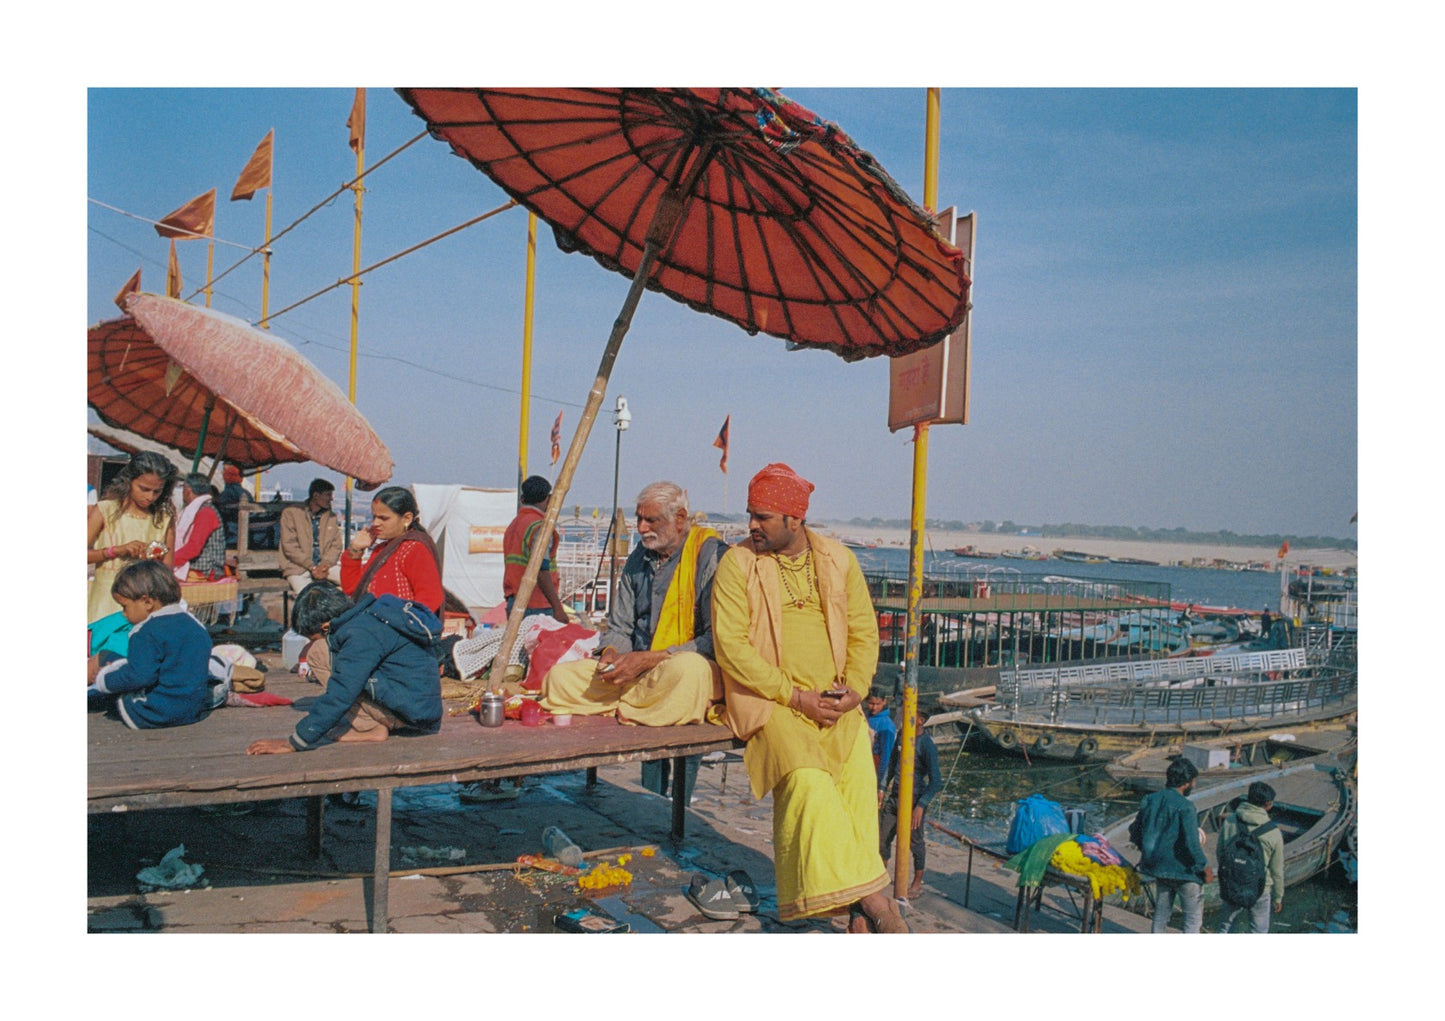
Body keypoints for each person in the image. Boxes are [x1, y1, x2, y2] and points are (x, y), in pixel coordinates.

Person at [711, 463, 906, 933]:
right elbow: (731, 648)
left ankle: (854, 908)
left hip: (838, 706)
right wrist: (796, 698)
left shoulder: (839, 559)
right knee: (807, 785)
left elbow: (864, 633)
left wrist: (855, 690)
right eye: (749, 515)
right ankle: (878, 904)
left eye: (762, 517)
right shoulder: (736, 565)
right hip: (774, 703)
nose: (751, 526)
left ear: (794, 520)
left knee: (858, 795)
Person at [540, 481, 726, 729]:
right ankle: (642, 707)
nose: (641, 528)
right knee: (560, 678)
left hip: (678, 668)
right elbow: (620, 627)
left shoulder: (710, 555)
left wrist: (650, 659)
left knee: (690, 671)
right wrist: (611, 657)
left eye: (651, 520)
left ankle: (630, 705)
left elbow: (716, 639)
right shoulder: (639, 557)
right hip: (636, 675)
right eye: (638, 519)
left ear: (680, 518)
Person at [247, 582, 443, 754]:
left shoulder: (360, 634)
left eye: (312, 636)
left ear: (325, 627)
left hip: (412, 716)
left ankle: (370, 728)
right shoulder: (368, 617)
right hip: (418, 707)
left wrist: (296, 741)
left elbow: (342, 691)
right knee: (332, 658)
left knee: (319, 652)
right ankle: (371, 721)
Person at [87, 560, 213, 729]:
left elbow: (139, 676)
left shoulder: (146, 632)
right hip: (191, 711)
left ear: (147, 602)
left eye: (125, 607)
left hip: (152, 712)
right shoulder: (194, 624)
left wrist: (104, 678)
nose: (124, 614)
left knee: (106, 658)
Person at [87, 451, 177, 625]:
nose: (150, 497)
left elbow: (168, 570)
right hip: (106, 601)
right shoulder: (106, 510)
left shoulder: (164, 518)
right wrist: (116, 551)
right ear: (129, 481)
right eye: (144, 489)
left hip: (145, 607)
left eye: (157, 491)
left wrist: (152, 563)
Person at [1128, 756, 1211, 933]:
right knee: (1192, 917)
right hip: (1184, 873)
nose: (1194, 785)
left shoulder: (1150, 799)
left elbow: (1134, 831)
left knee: (1161, 913)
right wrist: (1204, 868)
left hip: (1158, 869)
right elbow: (1192, 844)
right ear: (1186, 783)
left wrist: (1148, 852)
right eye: (1193, 781)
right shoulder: (1186, 807)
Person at [340, 486, 444, 615]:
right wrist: (355, 549)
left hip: (400, 630)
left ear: (407, 518)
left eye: (383, 518)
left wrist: (402, 623)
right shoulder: (382, 550)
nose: (375, 523)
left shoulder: (414, 549)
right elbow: (352, 588)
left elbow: (430, 598)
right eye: (374, 517)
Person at [879, 712, 941, 900]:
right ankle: (881, 875)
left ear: (920, 721)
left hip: (914, 800)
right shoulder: (901, 737)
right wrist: (882, 788)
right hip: (895, 797)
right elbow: (891, 765)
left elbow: (936, 781)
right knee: (882, 837)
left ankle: (917, 882)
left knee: (915, 842)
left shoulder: (926, 745)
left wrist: (921, 806)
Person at [1217, 780, 1285, 933]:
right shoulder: (1273, 833)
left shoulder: (1230, 821)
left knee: (1225, 928)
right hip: (1260, 889)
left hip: (1232, 883)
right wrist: (1278, 897)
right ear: (1268, 804)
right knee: (1258, 932)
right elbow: (1277, 871)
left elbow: (1220, 852)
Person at [502, 475, 570, 622]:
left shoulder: (514, 525)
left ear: (523, 499)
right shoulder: (539, 527)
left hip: (515, 599)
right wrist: (557, 608)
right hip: (537, 604)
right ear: (548, 499)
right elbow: (541, 570)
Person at [279, 478, 343, 595]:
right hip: (298, 568)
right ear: (316, 496)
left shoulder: (331, 517)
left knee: (355, 581)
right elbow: (290, 547)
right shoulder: (291, 513)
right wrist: (311, 566)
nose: (331, 498)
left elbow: (336, 545)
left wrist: (325, 565)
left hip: (325, 567)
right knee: (308, 597)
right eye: (328, 495)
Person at [172, 473, 228, 582]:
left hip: (205, 570)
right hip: (197, 566)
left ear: (187, 490)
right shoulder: (202, 509)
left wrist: (168, 560)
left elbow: (194, 548)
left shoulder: (206, 512)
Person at [864, 686, 898, 787]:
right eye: (871, 704)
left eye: (877, 704)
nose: (874, 707)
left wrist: (880, 784)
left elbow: (886, 756)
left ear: (884, 702)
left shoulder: (886, 726)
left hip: (874, 765)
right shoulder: (864, 717)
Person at [213, 463, 251, 546]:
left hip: (231, 531)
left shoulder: (227, 493)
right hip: (247, 531)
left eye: (224, 471)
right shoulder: (246, 493)